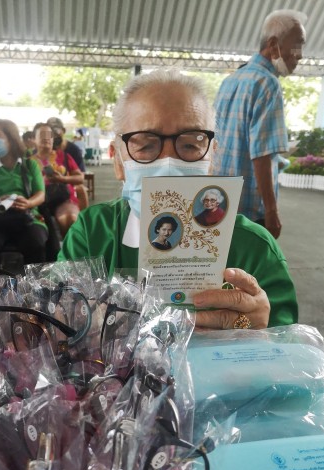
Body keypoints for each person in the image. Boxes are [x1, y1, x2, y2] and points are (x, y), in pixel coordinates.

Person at [58, 69, 298, 329]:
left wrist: (260, 332)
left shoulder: (255, 249)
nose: (168, 163)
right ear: (117, 160)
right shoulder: (91, 235)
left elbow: (287, 341)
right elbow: (59, 325)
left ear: (211, 158)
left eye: (191, 144)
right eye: (145, 145)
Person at [212, 9, 307, 239]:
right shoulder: (268, 84)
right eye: (297, 45)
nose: (300, 55)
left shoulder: (231, 80)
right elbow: (261, 155)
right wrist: (272, 212)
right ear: (273, 45)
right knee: (249, 262)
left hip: (220, 202)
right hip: (249, 212)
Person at [0, 119, 48, 268]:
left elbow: (40, 194)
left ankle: (34, 281)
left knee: (35, 241)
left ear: (11, 138)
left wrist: (28, 203)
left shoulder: (29, 165)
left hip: (27, 217)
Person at [31, 122, 84, 237]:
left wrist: (63, 178)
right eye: (42, 135)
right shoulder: (28, 161)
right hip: (36, 201)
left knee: (69, 218)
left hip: (63, 199)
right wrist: (41, 180)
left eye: (49, 135)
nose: (46, 138)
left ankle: (69, 246)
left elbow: (80, 178)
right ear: (34, 139)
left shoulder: (64, 156)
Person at [47, 116, 89, 210]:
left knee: (80, 189)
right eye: (50, 133)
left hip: (67, 189)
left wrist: (63, 179)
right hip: (46, 190)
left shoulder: (73, 151)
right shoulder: (42, 151)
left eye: (56, 131)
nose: (53, 136)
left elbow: (80, 177)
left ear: (63, 130)